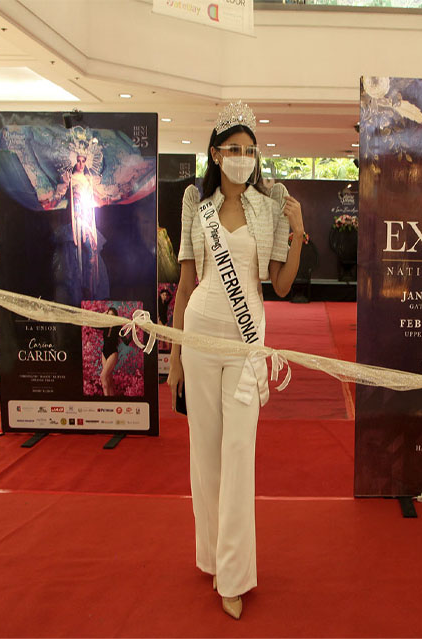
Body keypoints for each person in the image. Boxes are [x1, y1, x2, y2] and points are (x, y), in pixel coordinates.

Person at [166, 101, 304, 620]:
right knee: (205, 454)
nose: (243, 158)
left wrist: (297, 233)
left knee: (238, 454)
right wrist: (175, 359)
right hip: (200, 334)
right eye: (234, 150)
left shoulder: (271, 206)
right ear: (215, 154)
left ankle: (235, 574)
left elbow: (283, 285)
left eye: (250, 151)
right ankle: (210, 556)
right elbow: (184, 284)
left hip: (247, 340)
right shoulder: (192, 203)